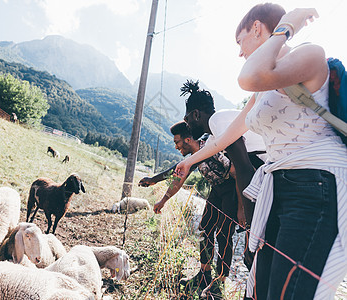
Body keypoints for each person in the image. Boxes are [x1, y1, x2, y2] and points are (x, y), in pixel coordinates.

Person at [175, 4, 347, 299]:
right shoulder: (263, 92)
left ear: (256, 28)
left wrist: (286, 27)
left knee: (289, 291)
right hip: (280, 187)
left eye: (240, 41)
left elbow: (248, 77)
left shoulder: (311, 54)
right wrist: (189, 160)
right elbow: (224, 139)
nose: (240, 53)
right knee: (262, 288)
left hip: (315, 186)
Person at [139, 121, 238, 297]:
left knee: (224, 235)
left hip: (231, 191)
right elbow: (177, 177)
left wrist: (243, 207)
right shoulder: (195, 157)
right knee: (205, 230)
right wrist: (162, 199)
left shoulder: (211, 148)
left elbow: (236, 172)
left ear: (188, 139)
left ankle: (219, 285)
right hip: (217, 191)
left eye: (177, 142)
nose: (176, 147)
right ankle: (204, 276)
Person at [180, 80, 266, 273]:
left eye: (187, 120)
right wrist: (183, 165)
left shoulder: (217, 121)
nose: (187, 124)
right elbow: (201, 155)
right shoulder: (214, 135)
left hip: (274, 170)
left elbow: (244, 170)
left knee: (255, 253)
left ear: (195, 114)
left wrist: (251, 230)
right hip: (267, 172)